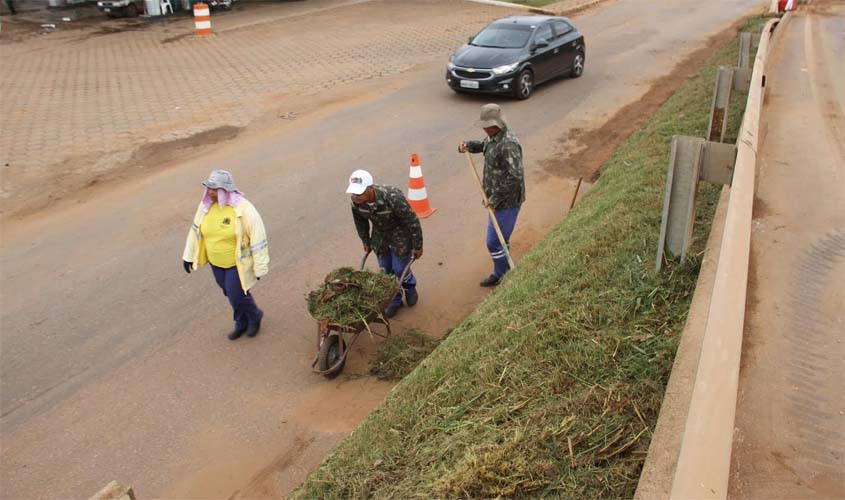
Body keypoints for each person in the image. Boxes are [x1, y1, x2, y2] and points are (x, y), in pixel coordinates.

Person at [182, 170, 269, 340]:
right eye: (209, 188)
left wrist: (260, 267)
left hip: (236, 263)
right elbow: (195, 231)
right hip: (216, 262)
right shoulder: (205, 207)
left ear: (225, 190)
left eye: (215, 189)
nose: (211, 192)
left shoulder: (243, 208)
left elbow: (258, 238)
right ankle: (242, 322)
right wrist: (188, 256)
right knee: (229, 293)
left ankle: (254, 316)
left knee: (236, 294)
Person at [458, 103, 525, 287]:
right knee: (501, 239)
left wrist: (494, 199)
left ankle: (503, 275)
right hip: (495, 200)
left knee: (493, 242)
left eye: (487, 126)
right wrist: (469, 146)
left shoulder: (508, 144)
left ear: (497, 124)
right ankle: (503, 270)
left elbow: (515, 178)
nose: (485, 129)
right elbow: (485, 145)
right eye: (484, 126)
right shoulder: (494, 136)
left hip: (506, 202)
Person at [348, 169, 423, 318]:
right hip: (380, 236)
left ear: (370, 188)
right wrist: (365, 240)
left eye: (360, 193)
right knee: (385, 271)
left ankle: (409, 288)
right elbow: (360, 222)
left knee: (400, 268)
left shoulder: (392, 196)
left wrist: (418, 245)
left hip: (399, 234)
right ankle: (394, 301)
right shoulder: (356, 202)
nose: (357, 196)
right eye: (355, 193)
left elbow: (411, 220)